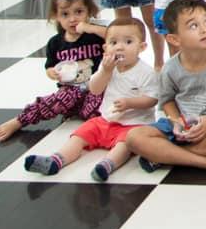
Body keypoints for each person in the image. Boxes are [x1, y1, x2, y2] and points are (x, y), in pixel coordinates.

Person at [23, 18, 159, 182]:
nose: (120, 47)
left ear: (142, 47)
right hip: (105, 119)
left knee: (125, 144)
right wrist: (105, 72)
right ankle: (56, 160)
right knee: (81, 133)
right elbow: (95, 89)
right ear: (105, 47)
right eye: (113, 42)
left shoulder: (146, 72)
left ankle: (107, 164)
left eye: (128, 42)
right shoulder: (107, 66)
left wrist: (130, 103)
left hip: (134, 123)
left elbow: (152, 99)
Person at [125, 0, 206, 176]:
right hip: (183, 125)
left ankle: (165, 154)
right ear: (174, 39)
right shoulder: (170, 68)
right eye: (193, 26)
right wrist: (176, 121)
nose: (205, 28)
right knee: (134, 138)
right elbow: (167, 101)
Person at [0, 0, 106, 141]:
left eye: (79, 12)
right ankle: (19, 121)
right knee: (55, 101)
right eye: (65, 14)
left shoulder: (95, 35)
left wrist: (91, 27)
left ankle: (85, 116)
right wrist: (52, 73)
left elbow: (115, 36)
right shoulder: (55, 43)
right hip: (69, 92)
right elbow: (49, 67)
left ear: (89, 11)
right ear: (56, 16)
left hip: (96, 90)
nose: (72, 19)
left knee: (103, 111)